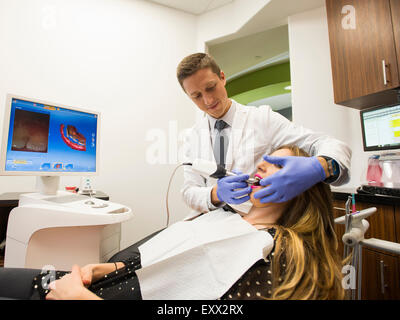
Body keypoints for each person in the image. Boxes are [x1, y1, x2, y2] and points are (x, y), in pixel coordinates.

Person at [0, 145, 345, 300]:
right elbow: (167, 262)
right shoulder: (221, 218)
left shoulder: (271, 250)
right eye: (264, 162)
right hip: (90, 283)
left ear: (302, 189)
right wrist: (114, 267)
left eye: (280, 167)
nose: (263, 166)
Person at [177, 53, 351, 217]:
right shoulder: (192, 137)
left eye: (210, 88)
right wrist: (215, 194)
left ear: (222, 77)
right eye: (197, 96)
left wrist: (320, 166)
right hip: (210, 222)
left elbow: (326, 143)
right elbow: (189, 191)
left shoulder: (263, 119)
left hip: (253, 222)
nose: (208, 100)